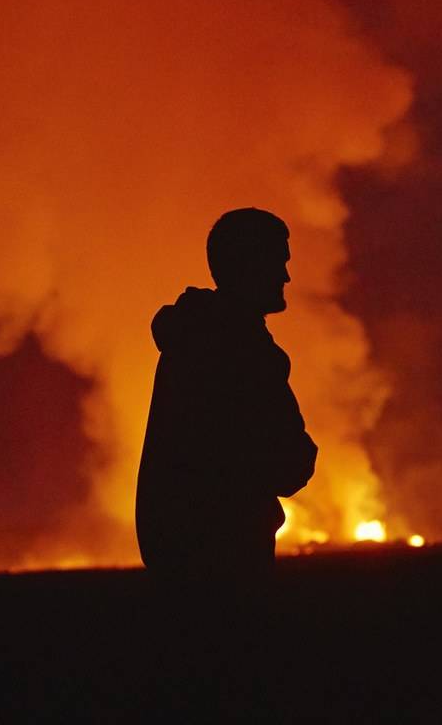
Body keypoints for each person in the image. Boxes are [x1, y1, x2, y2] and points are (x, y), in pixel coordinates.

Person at [135, 207, 317, 587]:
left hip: (176, 561)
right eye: (278, 262)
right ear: (249, 265)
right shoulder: (245, 351)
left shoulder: (186, 338)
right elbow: (286, 462)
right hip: (231, 561)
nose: (286, 276)